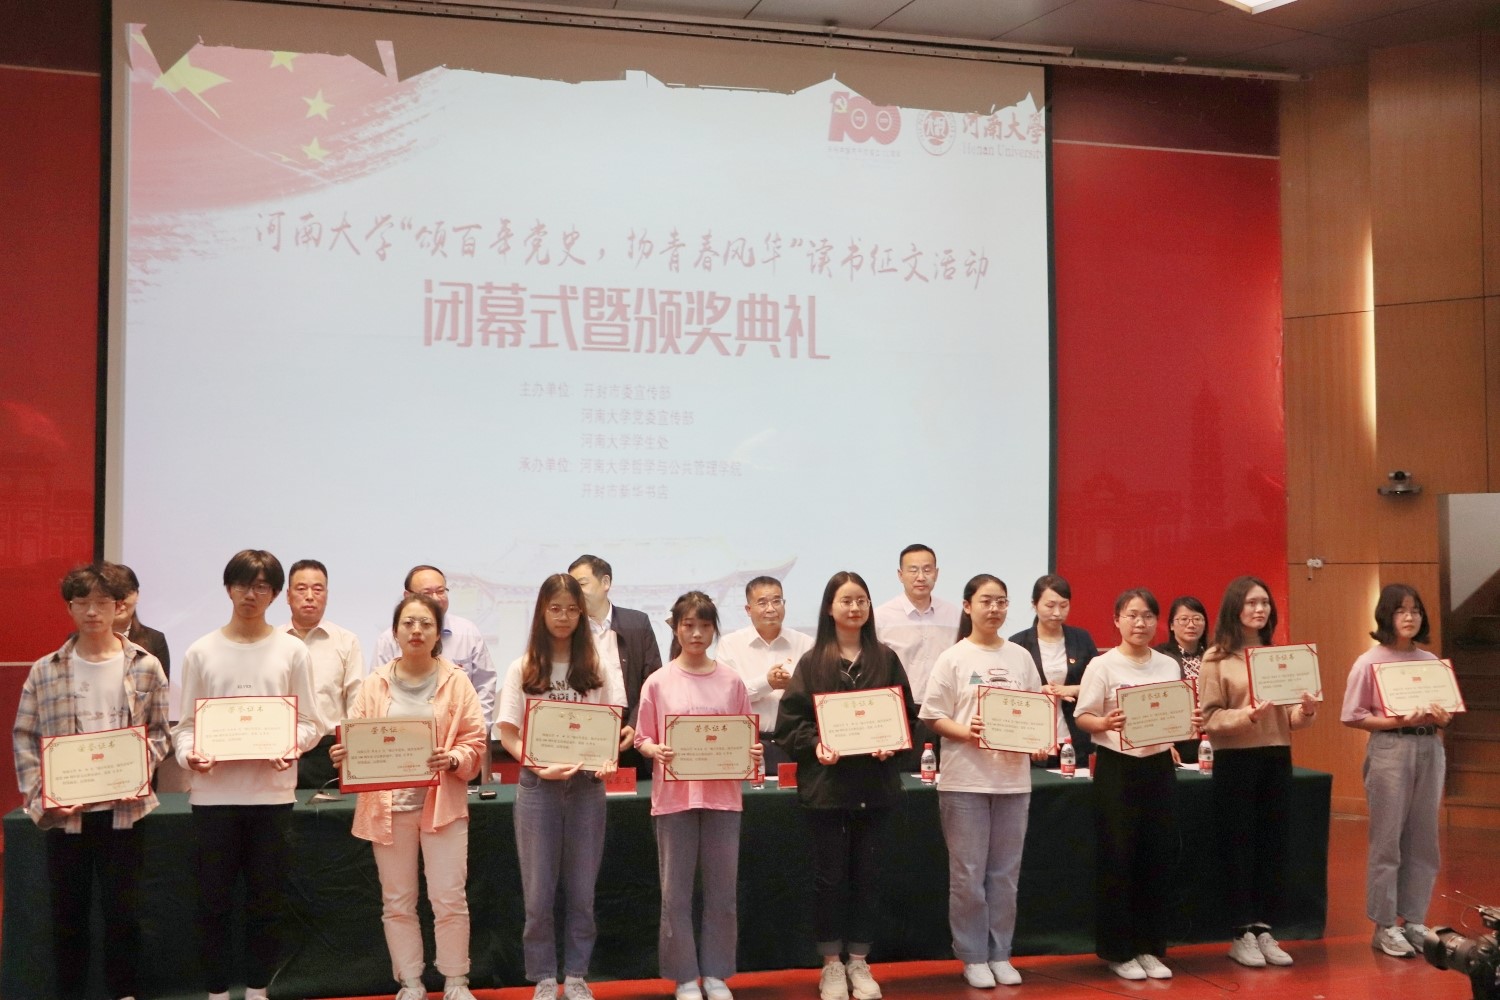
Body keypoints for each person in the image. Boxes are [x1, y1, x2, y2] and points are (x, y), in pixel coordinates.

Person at [12, 563, 170, 1000]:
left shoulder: (145, 666)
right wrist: (44, 799)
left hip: (125, 811)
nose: (92, 611)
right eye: (81, 602)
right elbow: (24, 736)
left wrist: (135, 773)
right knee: (68, 915)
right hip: (68, 814)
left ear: (119, 606)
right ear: (70, 608)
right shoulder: (46, 670)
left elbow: (160, 732)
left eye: (102, 602)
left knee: (125, 914)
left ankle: (124, 992)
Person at [173, 550, 320, 1000]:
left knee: (266, 903)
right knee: (212, 903)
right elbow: (186, 727)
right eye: (241, 584)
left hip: (271, 797)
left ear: (275, 594)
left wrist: (291, 745)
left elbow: (310, 723)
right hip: (213, 798)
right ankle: (216, 992)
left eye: (260, 586)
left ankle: (258, 990)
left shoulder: (292, 651)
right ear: (228, 588)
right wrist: (190, 755)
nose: (250, 594)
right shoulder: (201, 651)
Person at [333, 592, 486, 1000]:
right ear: (395, 631)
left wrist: (454, 758)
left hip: (442, 807)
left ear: (438, 634)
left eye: (426, 624)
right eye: (408, 623)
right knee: (397, 901)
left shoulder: (457, 681)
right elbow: (356, 736)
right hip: (388, 809)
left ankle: (456, 980)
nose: (416, 630)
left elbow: (475, 741)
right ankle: (411, 981)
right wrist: (345, 754)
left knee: (448, 898)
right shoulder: (374, 683)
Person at [774, 571, 916, 1000]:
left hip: (875, 787)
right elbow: (789, 725)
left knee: (868, 876)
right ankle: (831, 964)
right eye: (846, 601)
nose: (854, 608)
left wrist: (895, 743)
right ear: (829, 608)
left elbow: (908, 717)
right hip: (827, 790)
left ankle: (859, 960)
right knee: (830, 878)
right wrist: (816, 745)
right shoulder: (812, 662)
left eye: (861, 601)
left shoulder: (886, 659)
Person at [919, 574, 1057, 989]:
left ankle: (1001, 953)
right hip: (964, 781)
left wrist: (1041, 741)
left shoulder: (1020, 657)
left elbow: (1037, 711)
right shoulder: (953, 658)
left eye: (1001, 601)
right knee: (968, 874)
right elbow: (932, 715)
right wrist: (967, 732)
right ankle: (973, 955)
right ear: (967, 606)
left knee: (1005, 875)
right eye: (986, 601)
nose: (994, 609)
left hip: (1012, 781)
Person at [497, 574, 628, 1000]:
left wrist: (608, 758)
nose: (564, 617)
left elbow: (612, 728)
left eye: (572, 609)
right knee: (538, 892)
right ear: (541, 611)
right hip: (538, 786)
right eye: (555, 608)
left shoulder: (597, 667)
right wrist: (537, 764)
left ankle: (575, 975)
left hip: (587, 786)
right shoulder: (522, 667)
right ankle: (542, 977)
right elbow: (508, 734)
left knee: (582, 890)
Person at [636, 592, 762, 1000]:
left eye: (705, 626)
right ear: (675, 628)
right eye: (688, 625)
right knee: (675, 894)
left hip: (723, 799)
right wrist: (653, 749)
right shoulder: (658, 681)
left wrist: (752, 752)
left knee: (722, 893)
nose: (696, 633)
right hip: (674, 800)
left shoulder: (731, 680)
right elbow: (642, 738)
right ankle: (685, 976)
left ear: (714, 630)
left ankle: (717, 973)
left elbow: (745, 735)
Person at [1074, 588, 1202, 982]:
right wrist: (1104, 723)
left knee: (1155, 856)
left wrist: (1188, 722)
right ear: (1117, 620)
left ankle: (1149, 947)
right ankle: (1119, 951)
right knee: (1119, 858)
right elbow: (1083, 716)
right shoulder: (1102, 665)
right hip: (1117, 768)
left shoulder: (1167, 665)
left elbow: (1176, 714)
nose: (1140, 623)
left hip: (1158, 767)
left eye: (1147, 616)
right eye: (1131, 615)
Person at [1198, 576, 1318, 968]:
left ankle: (1265, 928)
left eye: (1264, 602)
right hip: (1236, 759)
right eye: (1251, 602)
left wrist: (1307, 709)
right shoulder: (1216, 658)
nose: (1259, 609)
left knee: (1272, 843)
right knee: (1239, 845)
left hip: (1276, 756)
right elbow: (1210, 718)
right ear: (1235, 608)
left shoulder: (1277, 656)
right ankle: (1240, 933)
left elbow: (1291, 719)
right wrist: (1246, 716)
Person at [1340, 583, 1451, 959]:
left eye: (1416, 610)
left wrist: (1443, 716)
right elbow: (1352, 715)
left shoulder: (1431, 661)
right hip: (1391, 749)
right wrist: (1396, 720)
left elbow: (1446, 711)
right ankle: (1385, 925)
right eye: (1402, 610)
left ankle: (1414, 919)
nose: (1410, 617)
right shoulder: (1368, 662)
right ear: (1386, 616)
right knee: (1388, 840)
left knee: (1424, 839)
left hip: (1429, 747)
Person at [570, 554, 664, 776]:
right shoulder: (571, 629)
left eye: (581, 584)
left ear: (605, 582)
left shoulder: (637, 623)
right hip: (586, 731)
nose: (576, 592)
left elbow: (653, 680)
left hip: (631, 728)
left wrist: (635, 723)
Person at [374, 565, 497, 730]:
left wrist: (479, 729)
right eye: (426, 593)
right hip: (403, 735)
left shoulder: (468, 632)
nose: (436, 599)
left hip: (461, 735)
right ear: (407, 596)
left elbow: (485, 686)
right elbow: (378, 694)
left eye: (440, 591)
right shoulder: (388, 639)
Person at [715, 575, 813, 771]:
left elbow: (817, 695)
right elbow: (726, 698)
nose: (771, 609)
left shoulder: (806, 643)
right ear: (748, 609)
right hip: (748, 745)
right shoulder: (730, 645)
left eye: (777, 601)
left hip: (795, 741)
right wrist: (766, 683)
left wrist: (793, 687)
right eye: (762, 603)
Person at [284, 558, 364, 789]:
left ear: (327, 595)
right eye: (301, 589)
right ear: (288, 595)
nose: (310, 596)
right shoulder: (272, 642)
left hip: (330, 753)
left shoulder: (346, 641)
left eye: (317, 589)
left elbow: (357, 701)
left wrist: (351, 748)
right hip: (281, 753)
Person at [1008, 574, 1099, 764]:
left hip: (1076, 737)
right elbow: (1009, 692)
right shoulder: (1018, 643)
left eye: (1064, 605)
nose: (1057, 613)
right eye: (1050, 606)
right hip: (1033, 737)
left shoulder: (1081, 638)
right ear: (1034, 604)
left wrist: (1074, 689)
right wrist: (1039, 690)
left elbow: (1100, 683)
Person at [873, 544, 960, 706]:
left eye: (927, 570)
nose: (921, 577)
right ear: (900, 575)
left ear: (936, 573)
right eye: (913, 570)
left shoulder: (954, 616)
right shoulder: (880, 618)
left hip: (945, 706)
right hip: (899, 706)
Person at [1156, 595, 1210, 764]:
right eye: (1184, 619)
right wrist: (1163, 744)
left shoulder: (1216, 655)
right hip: (1178, 741)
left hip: (1214, 737)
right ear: (1171, 625)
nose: (1191, 625)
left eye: (1197, 619)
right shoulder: (1160, 657)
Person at [103, 561, 172, 679]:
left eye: (126, 593)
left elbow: (161, 688)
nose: (120, 602)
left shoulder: (155, 640)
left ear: (137, 595)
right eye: (114, 594)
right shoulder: (81, 640)